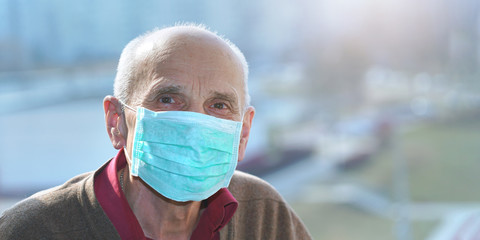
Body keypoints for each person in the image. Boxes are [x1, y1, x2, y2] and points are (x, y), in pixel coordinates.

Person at [0, 24, 311, 240]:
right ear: (116, 121)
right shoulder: (32, 230)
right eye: (168, 100)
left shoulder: (264, 214)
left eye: (218, 105)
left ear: (243, 132)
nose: (193, 126)